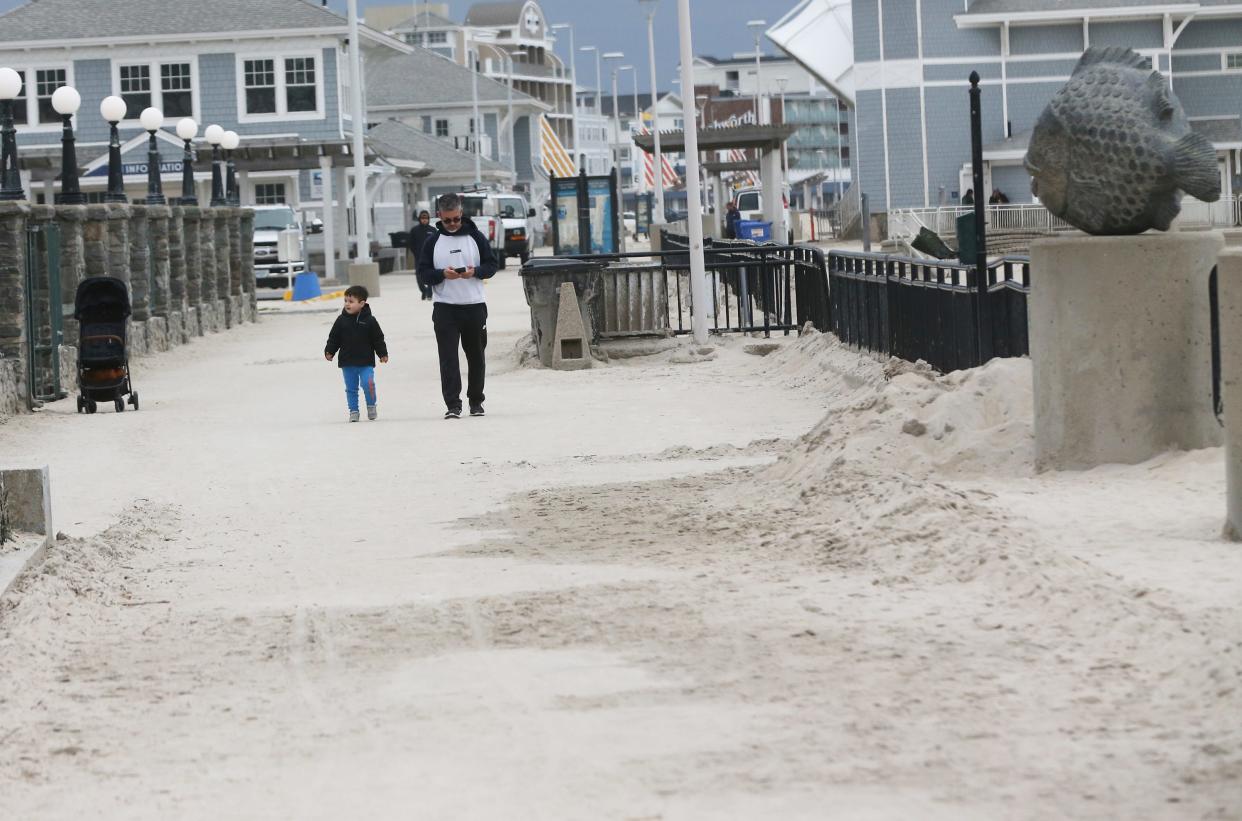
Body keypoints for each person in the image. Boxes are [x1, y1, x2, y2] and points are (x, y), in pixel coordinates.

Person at [416, 192, 498, 420]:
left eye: (456, 219)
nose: (452, 224)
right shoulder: (432, 241)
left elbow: (492, 264)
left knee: (476, 356)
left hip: (474, 306)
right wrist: (442, 274)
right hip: (445, 308)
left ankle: (476, 401)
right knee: (448, 358)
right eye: (447, 220)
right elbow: (423, 274)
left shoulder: (476, 237)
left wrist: (476, 272)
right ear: (439, 216)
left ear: (461, 214)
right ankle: (453, 404)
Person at [324, 285, 388, 423]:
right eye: (345, 301)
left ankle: (371, 405)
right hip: (347, 362)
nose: (347, 304)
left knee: (368, 384)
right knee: (351, 389)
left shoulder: (370, 321)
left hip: (365, 362)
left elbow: (378, 339)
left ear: (362, 303)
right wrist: (330, 351)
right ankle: (354, 411)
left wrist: (382, 353)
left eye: (351, 301)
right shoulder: (341, 320)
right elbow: (334, 338)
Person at [407, 210, 436, 301]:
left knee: (430, 275)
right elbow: (411, 244)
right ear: (420, 219)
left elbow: (436, 243)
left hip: (431, 258)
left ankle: (429, 294)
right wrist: (416, 253)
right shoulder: (414, 230)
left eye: (426, 218)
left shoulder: (433, 230)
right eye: (423, 218)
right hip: (418, 257)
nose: (424, 220)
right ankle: (424, 290)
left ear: (428, 219)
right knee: (419, 276)